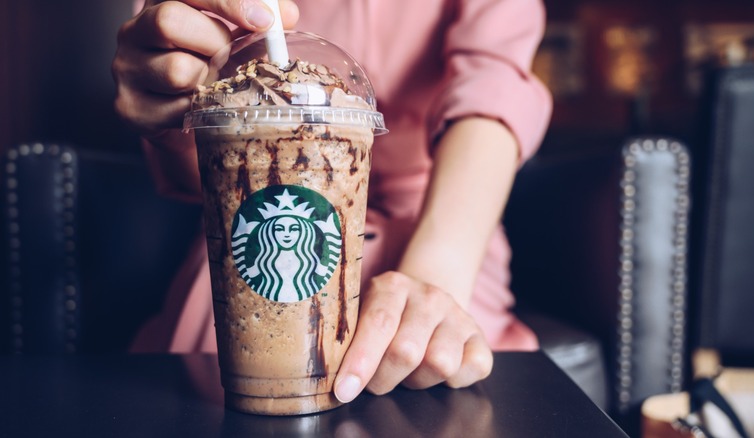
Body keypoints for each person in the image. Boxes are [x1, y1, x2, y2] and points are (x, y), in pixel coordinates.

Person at [112, 0, 552, 404]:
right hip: (253, 220)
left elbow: (493, 84)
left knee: (441, 369)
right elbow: (216, 167)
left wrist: (437, 274)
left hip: (444, 219)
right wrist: (167, 97)